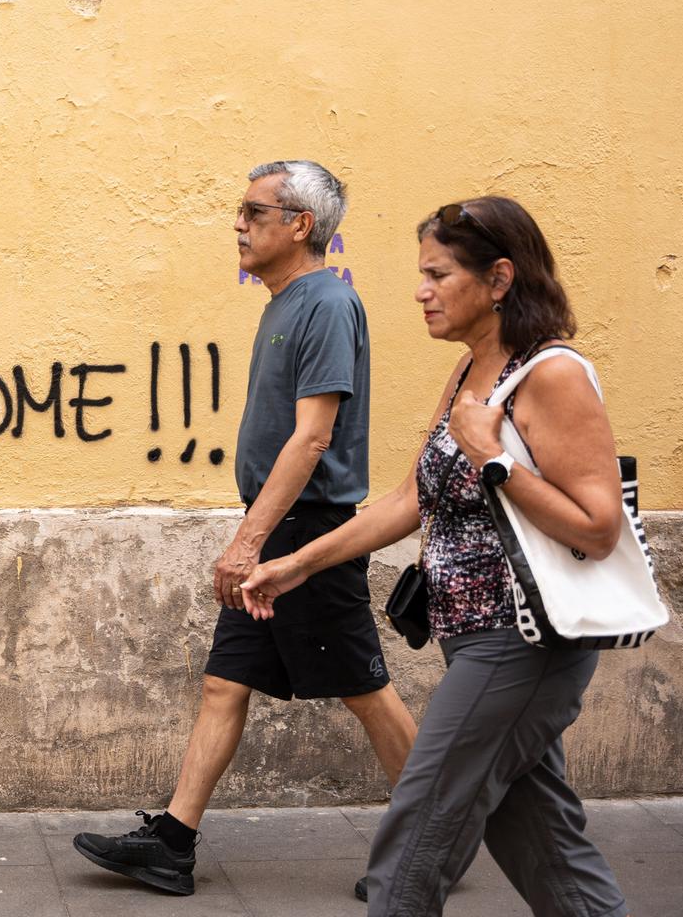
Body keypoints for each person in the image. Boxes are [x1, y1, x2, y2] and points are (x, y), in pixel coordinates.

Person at [241, 196, 630, 915]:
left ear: (500, 279)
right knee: (544, 847)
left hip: (523, 642)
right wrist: (297, 564)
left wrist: (493, 459)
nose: (420, 290)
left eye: (438, 273)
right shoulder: (466, 375)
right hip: (474, 638)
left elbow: (599, 527)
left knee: (416, 835)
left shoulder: (552, 375)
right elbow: (407, 500)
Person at [73, 161, 419, 896]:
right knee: (224, 685)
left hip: (305, 530)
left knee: (365, 688)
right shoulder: (286, 302)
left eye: (253, 211)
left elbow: (313, 437)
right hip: (279, 522)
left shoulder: (326, 303)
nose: (238, 223)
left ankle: (430, 845)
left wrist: (250, 541)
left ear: (300, 225)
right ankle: (172, 843)